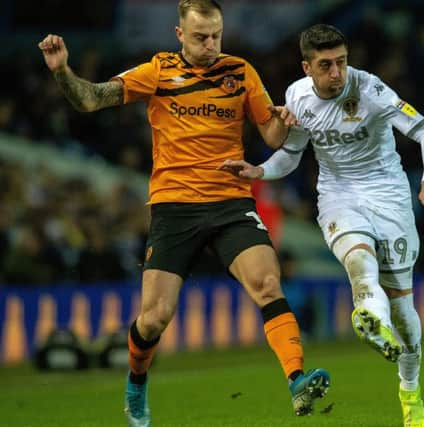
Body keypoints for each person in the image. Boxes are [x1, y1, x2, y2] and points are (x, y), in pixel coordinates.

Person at [38, 2, 330, 426]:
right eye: (200, 37)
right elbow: (90, 99)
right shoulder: (158, 72)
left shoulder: (241, 72)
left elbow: (270, 133)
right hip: (174, 208)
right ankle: (136, 381)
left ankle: (297, 380)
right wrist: (62, 71)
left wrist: (287, 118)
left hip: (230, 200)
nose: (210, 45)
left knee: (267, 282)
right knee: (155, 318)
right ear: (179, 35)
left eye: (215, 35)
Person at [220, 23, 424, 427]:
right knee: (359, 264)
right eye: (325, 65)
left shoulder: (372, 90)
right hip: (339, 195)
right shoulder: (296, 97)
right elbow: (291, 155)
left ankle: (409, 392)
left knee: (405, 314)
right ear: (307, 67)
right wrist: (259, 171)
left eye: (341, 62)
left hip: (388, 194)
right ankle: (368, 317)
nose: (337, 73)